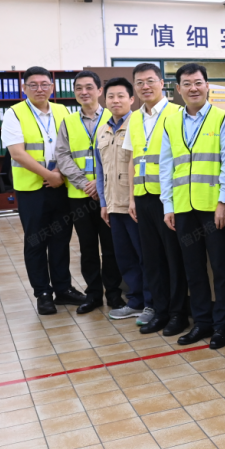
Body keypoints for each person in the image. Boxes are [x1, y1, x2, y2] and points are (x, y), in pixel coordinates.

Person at [159, 63, 225, 349]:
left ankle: (222, 326)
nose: (193, 88)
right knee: (193, 268)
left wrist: (223, 201)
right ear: (178, 89)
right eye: (187, 84)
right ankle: (202, 322)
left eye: (198, 83)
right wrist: (168, 205)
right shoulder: (171, 122)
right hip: (183, 208)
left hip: (212, 207)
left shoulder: (222, 118)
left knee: (220, 268)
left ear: (207, 86)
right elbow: (166, 167)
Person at [3, 66, 87, 315]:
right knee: (36, 242)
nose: (39, 89)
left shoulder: (63, 111)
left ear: (52, 86)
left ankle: (63, 289)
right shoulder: (14, 113)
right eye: (33, 85)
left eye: (44, 84)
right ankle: (43, 293)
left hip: (61, 185)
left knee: (61, 240)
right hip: (33, 189)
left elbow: (70, 146)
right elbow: (17, 153)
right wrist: (48, 175)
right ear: (24, 88)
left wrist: (59, 173)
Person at [125, 63, 189, 336]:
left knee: (173, 259)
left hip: (169, 198)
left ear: (162, 83)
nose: (145, 86)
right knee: (152, 259)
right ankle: (160, 311)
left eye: (150, 81)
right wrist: (131, 197)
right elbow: (132, 159)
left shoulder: (177, 113)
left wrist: (171, 200)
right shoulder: (134, 118)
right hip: (143, 197)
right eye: (139, 82)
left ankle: (178, 314)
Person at [54, 71, 124, 315]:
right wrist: (85, 183)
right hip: (80, 196)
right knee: (88, 248)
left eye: (89, 87)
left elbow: (122, 155)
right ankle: (93, 294)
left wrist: (100, 183)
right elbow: (62, 155)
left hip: (109, 195)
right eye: (79, 88)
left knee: (111, 247)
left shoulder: (114, 117)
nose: (84, 92)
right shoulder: (68, 121)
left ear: (99, 90)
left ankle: (114, 294)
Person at [95, 77, 152, 324]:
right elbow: (100, 170)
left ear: (131, 99)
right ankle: (136, 301)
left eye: (121, 96)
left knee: (145, 256)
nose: (115, 100)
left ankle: (151, 303)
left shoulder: (139, 124)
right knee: (125, 258)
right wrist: (103, 203)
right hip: (113, 205)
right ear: (104, 100)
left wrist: (133, 200)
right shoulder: (103, 129)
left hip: (135, 204)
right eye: (110, 96)